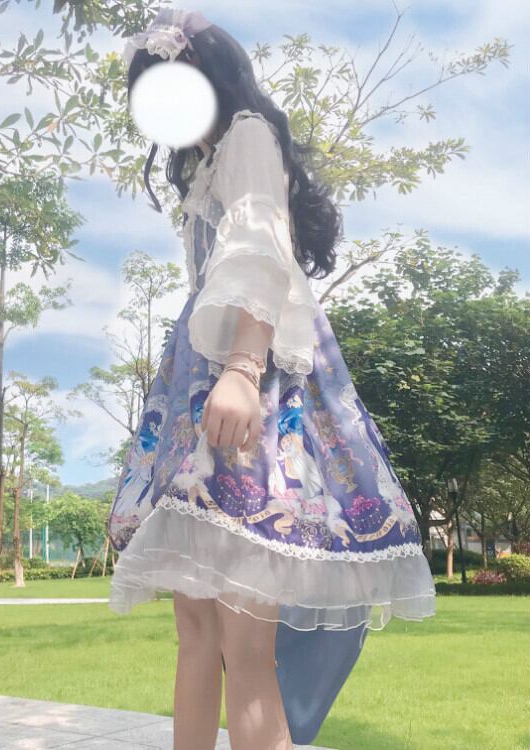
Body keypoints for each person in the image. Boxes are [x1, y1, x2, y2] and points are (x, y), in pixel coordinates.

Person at [107, 8, 437, 750]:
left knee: (242, 636)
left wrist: (242, 369)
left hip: (246, 382)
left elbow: (261, 250)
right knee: (197, 629)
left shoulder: (249, 134)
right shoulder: (208, 165)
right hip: (200, 386)